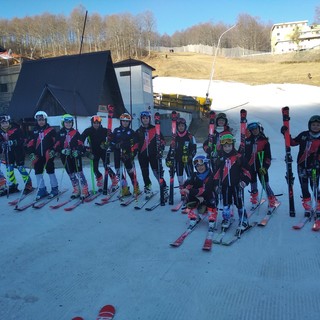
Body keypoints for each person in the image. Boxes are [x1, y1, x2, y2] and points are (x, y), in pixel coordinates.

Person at [281, 115, 320, 216]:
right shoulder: (304, 135)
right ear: (309, 125)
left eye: (318, 125)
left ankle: (318, 207)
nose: (315, 127)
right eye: (313, 125)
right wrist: (286, 134)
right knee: (304, 187)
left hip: (315, 167)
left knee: (315, 187)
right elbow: (292, 142)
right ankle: (307, 208)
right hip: (301, 166)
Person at [213, 132, 251, 231]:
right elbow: (216, 174)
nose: (227, 148)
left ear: (233, 145)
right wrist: (216, 185)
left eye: (229, 146)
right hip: (225, 186)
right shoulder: (220, 159)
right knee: (226, 204)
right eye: (225, 146)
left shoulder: (238, 157)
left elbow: (247, 171)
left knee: (239, 203)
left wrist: (244, 181)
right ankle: (226, 219)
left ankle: (244, 220)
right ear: (222, 147)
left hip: (237, 185)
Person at [245, 121, 279, 210]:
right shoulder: (247, 141)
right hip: (251, 166)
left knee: (265, 183)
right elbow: (244, 154)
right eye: (252, 130)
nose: (254, 131)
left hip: (261, 165)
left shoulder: (264, 141)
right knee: (253, 183)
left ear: (259, 129)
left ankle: (271, 199)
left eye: (256, 129)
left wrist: (265, 167)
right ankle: (254, 199)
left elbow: (268, 156)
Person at [54, 114, 89, 199]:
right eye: (66, 122)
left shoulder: (76, 133)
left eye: (70, 122)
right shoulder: (59, 133)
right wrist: (62, 150)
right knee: (71, 173)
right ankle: (76, 189)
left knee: (79, 172)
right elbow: (55, 146)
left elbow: (81, 144)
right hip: (65, 156)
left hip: (75, 156)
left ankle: (85, 189)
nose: (68, 124)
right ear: (63, 123)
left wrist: (78, 150)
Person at [80, 115, 118, 193]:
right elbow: (80, 140)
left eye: (98, 123)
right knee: (95, 169)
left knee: (107, 167)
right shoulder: (88, 130)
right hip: (94, 152)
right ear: (92, 123)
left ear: (100, 123)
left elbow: (113, 138)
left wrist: (108, 143)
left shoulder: (104, 130)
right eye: (94, 123)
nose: (96, 124)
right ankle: (101, 183)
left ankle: (115, 182)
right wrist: (85, 150)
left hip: (104, 151)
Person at [26, 111, 59, 200]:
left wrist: (53, 151)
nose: (41, 122)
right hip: (37, 156)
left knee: (50, 171)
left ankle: (54, 188)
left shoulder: (51, 130)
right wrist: (31, 153)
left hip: (48, 154)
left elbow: (57, 142)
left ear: (45, 120)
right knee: (38, 172)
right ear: (36, 120)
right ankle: (42, 189)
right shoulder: (34, 131)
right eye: (39, 120)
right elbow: (29, 143)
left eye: (42, 120)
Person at [135, 110, 168, 199]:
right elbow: (135, 144)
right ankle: (148, 188)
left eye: (147, 118)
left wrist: (161, 148)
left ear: (149, 119)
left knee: (157, 173)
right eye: (143, 118)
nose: (145, 120)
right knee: (145, 173)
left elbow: (163, 141)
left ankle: (164, 188)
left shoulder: (155, 129)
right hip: (142, 156)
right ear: (141, 119)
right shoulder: (138, 131)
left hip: (154, 155)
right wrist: (132, 151)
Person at [180, 155, 218, 227]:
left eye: (202, 165)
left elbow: (207, 190)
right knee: (190, 197)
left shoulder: (211, 176)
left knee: (211, 198)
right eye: (197, 166)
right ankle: (194, 216)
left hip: (208, 196)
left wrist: (192, 192)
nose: (200, 168)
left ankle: (212, 217)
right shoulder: (194, 175)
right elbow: (187, 183)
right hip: (198, 196)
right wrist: (183, 188)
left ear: (206, 165)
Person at [0, 114, 33, 195]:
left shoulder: (16, 129)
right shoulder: (1, 132)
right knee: (9, 169)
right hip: (8, 153)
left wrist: (14, 142)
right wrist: (2, 144)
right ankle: (13, 185)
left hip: (18, 152)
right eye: (2, 123)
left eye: (6, 122)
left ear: (9, 122)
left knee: (20, 168)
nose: (5, 124)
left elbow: (24, 139)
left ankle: (28, 184)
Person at [111, 113, 140, 196]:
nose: (125, 123)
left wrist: (132, 153)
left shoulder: (131, 132)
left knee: (130, 171)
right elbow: (112, 141)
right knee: (118, 171)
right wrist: (114, 145)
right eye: (123, 121)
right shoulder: (116, 130)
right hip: (117, 153)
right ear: (121, 122)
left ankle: (136, 187)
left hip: (127, 154)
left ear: (129, 122)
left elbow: (135, 144)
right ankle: (124, 188)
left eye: (127, 121)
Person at [166, 117, 197, 189]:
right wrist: (168, 158)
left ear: (185, 126)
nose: (181, 127)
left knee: (190, 176)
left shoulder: (190, 136)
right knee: (180, 177)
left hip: (187, 161)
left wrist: (190, 156)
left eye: (182, 126)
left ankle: (190, 190)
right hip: (178, 160)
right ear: (177, 127)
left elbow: (194, 149)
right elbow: (171, 149)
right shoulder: (175, 137)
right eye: (179, 126)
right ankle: (182, 192)